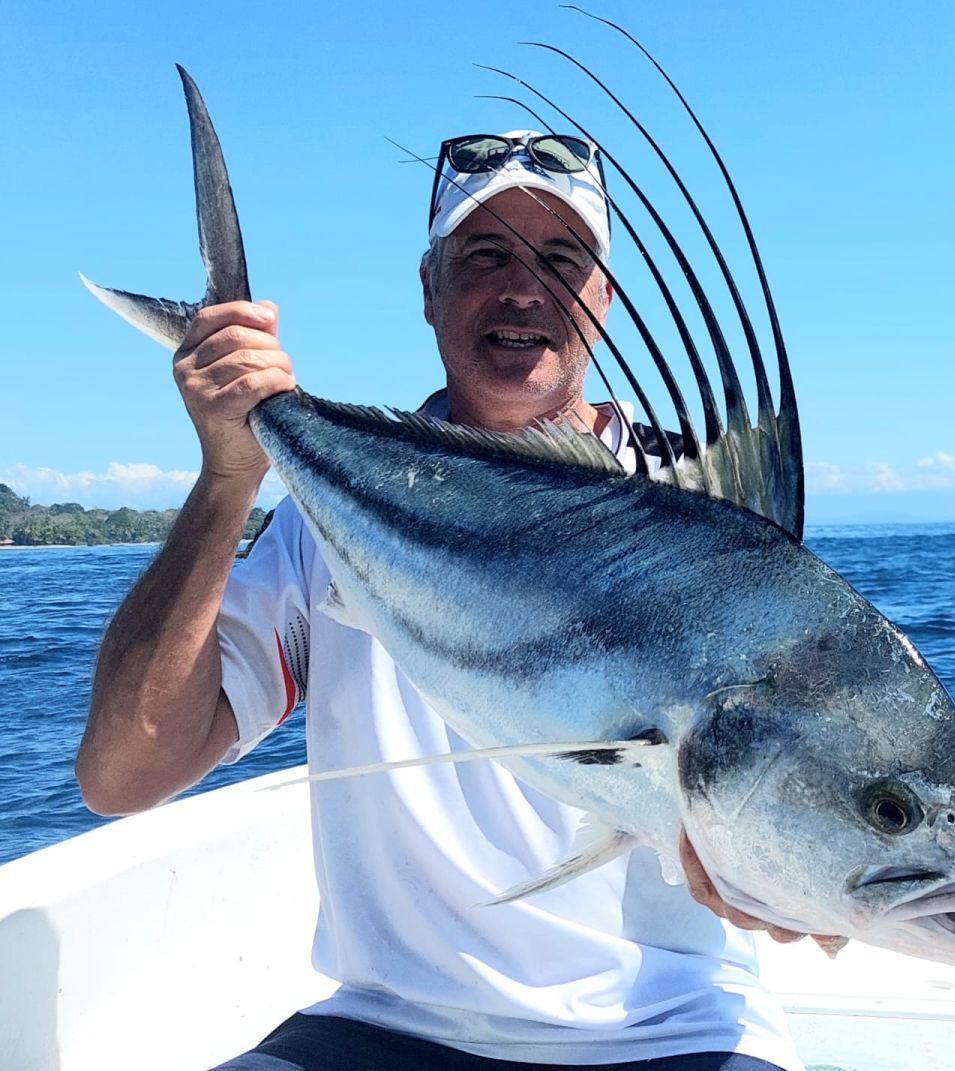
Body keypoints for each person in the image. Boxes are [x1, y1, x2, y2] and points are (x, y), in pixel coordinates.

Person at [77, 131, 805, 1071]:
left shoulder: (708, 511)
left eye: (560, 259)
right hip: (383, 1027)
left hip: (677, 1034)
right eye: (486, 256)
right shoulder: (329, 521)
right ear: (428, 288)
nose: (522, 289)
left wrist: (790, 880)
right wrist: (230, 473)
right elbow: (122, 775)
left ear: (604, 299)